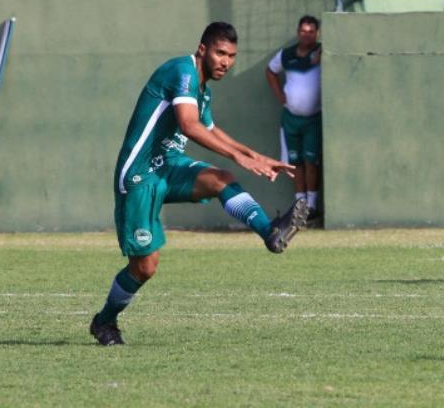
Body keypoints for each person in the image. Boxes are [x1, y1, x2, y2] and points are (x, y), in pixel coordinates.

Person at [90, 22, 310, 346]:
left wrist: (255, 156)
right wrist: (239, 158)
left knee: (221, 180)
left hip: (169, 165)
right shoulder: (182, 71)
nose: (226, 62)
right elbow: (189, 126)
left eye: (232, 56)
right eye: (220, 53)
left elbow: (210, 128)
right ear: (202, 49)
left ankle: (270, 232)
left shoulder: (202, 90)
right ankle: (104, 321)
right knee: (145, 267)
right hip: (140, 175)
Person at [265, 15, 322, 221]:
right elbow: (270, 71)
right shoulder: (286, 55)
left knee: (311, 162)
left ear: (317, 33)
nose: (307, 35)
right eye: (303, 31)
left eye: (311, 32)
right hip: (290, 120)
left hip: (313, 120)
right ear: (298, 32)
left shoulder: (322, 52)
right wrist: (279, 94)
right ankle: (300, 206)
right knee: (294, 163)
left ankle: (312, 206)